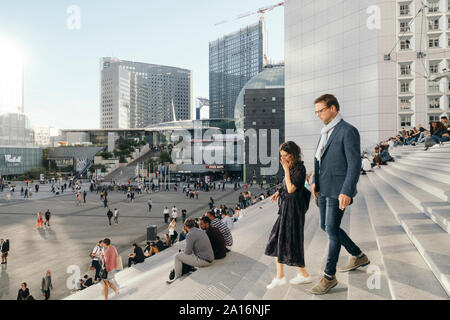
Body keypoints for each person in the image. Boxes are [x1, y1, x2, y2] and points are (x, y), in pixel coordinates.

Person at [311, 94, 370, 295]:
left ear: (333, 108)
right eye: (316, 111)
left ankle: (329, 276)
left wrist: (347, 190)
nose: (318, 115)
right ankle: (358, 254)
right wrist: (314, 183)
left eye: (321, 110)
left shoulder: (348, 131)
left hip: (338, 190)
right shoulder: (325, 131)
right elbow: (319, 160)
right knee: (325, 226)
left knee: (332, 229)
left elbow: (354, 163)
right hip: (323, 188)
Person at [265, 141, 312, 289]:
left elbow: (292, 189)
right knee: (278, 238)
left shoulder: (300, 168)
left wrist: (285, 169)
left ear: (293, 154)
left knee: (292, 241)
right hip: (286, 207)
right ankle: (280, 276)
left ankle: (303, 275)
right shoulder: (291, 166)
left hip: (294, 210)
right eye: (281, 156)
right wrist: (278, 192)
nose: (283, 159)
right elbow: (286, 185)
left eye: (285, 155)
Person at [166, 219, 214, 284]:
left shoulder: (190, 234)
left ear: (185, 227)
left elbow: (187, 252)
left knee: (177, 256)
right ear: (194, 224)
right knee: (182, 254)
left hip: (204, 261)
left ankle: (176, 277)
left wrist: (183, 251)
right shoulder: (201, 231)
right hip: (210, 258)